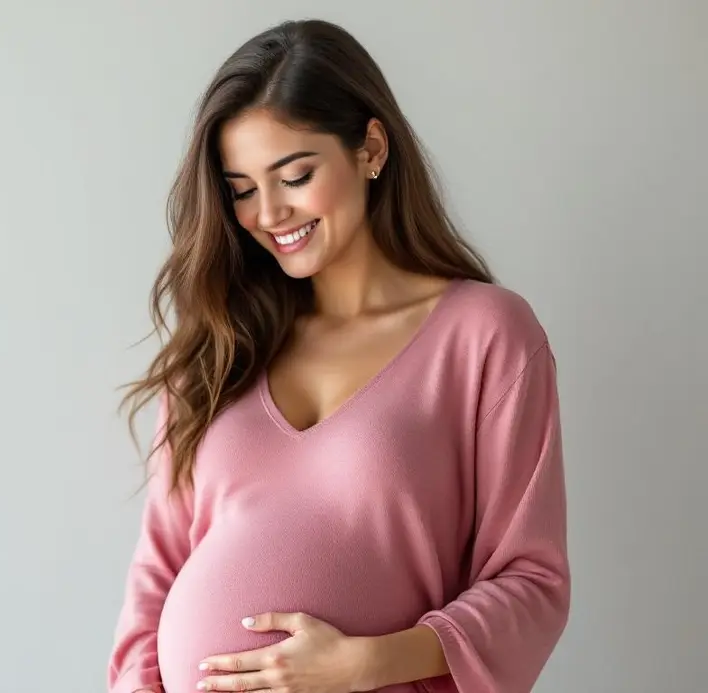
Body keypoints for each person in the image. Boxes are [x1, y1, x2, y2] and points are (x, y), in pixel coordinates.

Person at [107, 18, 570, 693]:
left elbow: (533, 581)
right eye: (242, 189)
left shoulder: (484, 336)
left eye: (294, 175)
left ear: (371, 148)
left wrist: (367, 663)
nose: (269, 213)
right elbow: (156, 575)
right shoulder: (221, 347)